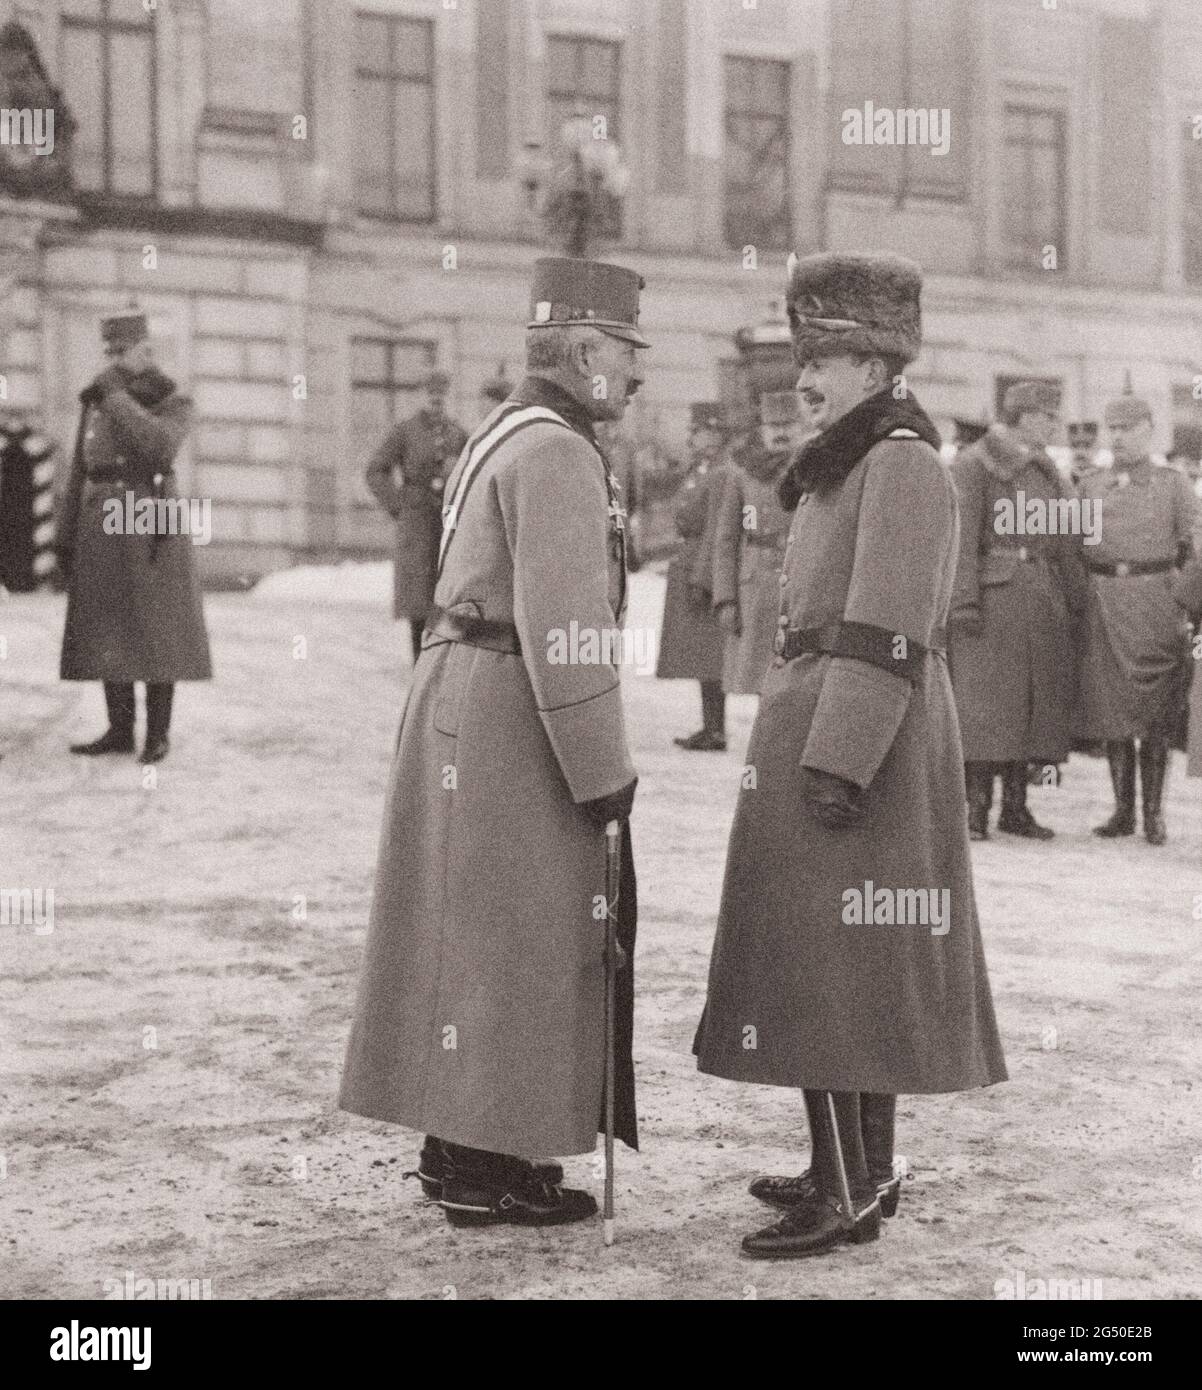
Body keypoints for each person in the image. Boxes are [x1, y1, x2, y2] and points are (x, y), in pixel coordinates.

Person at [695, 251, 1007, 1260]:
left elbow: (885, 628)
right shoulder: (851, 459)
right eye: (801, 353)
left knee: (831, 966)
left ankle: (845, 1189)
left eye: (822, 356)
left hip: (856, 742)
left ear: (874, 367)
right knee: (833, 962)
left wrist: (836, 761)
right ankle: (855, 1167)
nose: (803, 375)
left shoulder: (900, 464)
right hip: (827, 726)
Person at [340, 256, 649, 1228]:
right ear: (588, 348)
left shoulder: (498, 432)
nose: (638, 375)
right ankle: (479, 1167)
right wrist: (604, 773)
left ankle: (462, 1147)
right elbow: (564, 631)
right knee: (520, 931)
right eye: (630, 352)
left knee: (469, 931)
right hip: (514, 708)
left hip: (464, 695)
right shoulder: (558, 450)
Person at [55, 312, 211, 764]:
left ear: (147, 352)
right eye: (112, 353)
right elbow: (81, 468)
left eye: (127, 351)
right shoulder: (98, 398)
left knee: (156, 623)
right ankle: (120, 729)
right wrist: (66, 534)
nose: (117, 360)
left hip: (148, 512)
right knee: (110, 621)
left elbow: (159, 447)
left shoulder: (172, 399)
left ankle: (157, 734)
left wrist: (118, 399)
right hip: (102, 515)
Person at [948, 382, 1087, 840]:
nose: (1055, 426)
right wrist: (962, 601)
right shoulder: (975, 465)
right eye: (1049, 417)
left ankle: (1016, 808)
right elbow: (961, 540)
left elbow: (1066, 546)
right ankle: (975, 810)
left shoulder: (1049, 472)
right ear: (1025, 417)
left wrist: (1075, 601)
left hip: (1041, 601)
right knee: (985, 709)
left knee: (1030, 710)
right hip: (992, 604)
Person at [1077, 392, 1198, 845]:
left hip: (1156, 608)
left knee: (1156, 714)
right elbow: (1073, 549)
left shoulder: (1173, 484)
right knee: (1113, 712)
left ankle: (1153, 814)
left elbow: (1198, 542)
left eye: (1128, 428)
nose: (1119, 436)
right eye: (1114, 428)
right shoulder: (1090, 485)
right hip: (1104, 603)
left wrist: (1181, 598)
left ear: (1150, 429)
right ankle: (1122, 811)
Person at [365, 368, 468, 663]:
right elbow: (375, 471)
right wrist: (398, 505)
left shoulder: (457, 433)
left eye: (441, 394)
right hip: (417, 525)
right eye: (430, 393)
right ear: (420, 396)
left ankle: (440, 667)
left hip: (447, 526)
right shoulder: (404, 431)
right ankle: (418, 665)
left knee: (447, 599)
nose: (436, 399)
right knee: (420, 600)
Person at [712, 391, 807, 696]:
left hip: (799, 580)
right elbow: (726, 540)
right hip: (754, 588)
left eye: (787, 425)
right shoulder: (744, 473)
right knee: (757, 677)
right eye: (773, 426)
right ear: (762, 430)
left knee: (796, 676)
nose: (780, 433)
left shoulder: (812, 468)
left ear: (800, 427)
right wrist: (725, 598)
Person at [655, 403, 730, 749]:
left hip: (703, 565)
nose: (691, 437)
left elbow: (717, 530)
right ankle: (710, 726)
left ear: (714, 433)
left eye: (696, 431)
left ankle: (716, 729)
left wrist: (705, 579)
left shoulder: (720, 473)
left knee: (710, 653)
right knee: (702, 653)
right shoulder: (701, 468)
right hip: (690, 561)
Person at [1067, 421, 1101, 486]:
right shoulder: (1062, 478)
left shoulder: (1101, 478)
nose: (1080, 452)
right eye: (1075, 446)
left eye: (1087, 446)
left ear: (1096, 447)